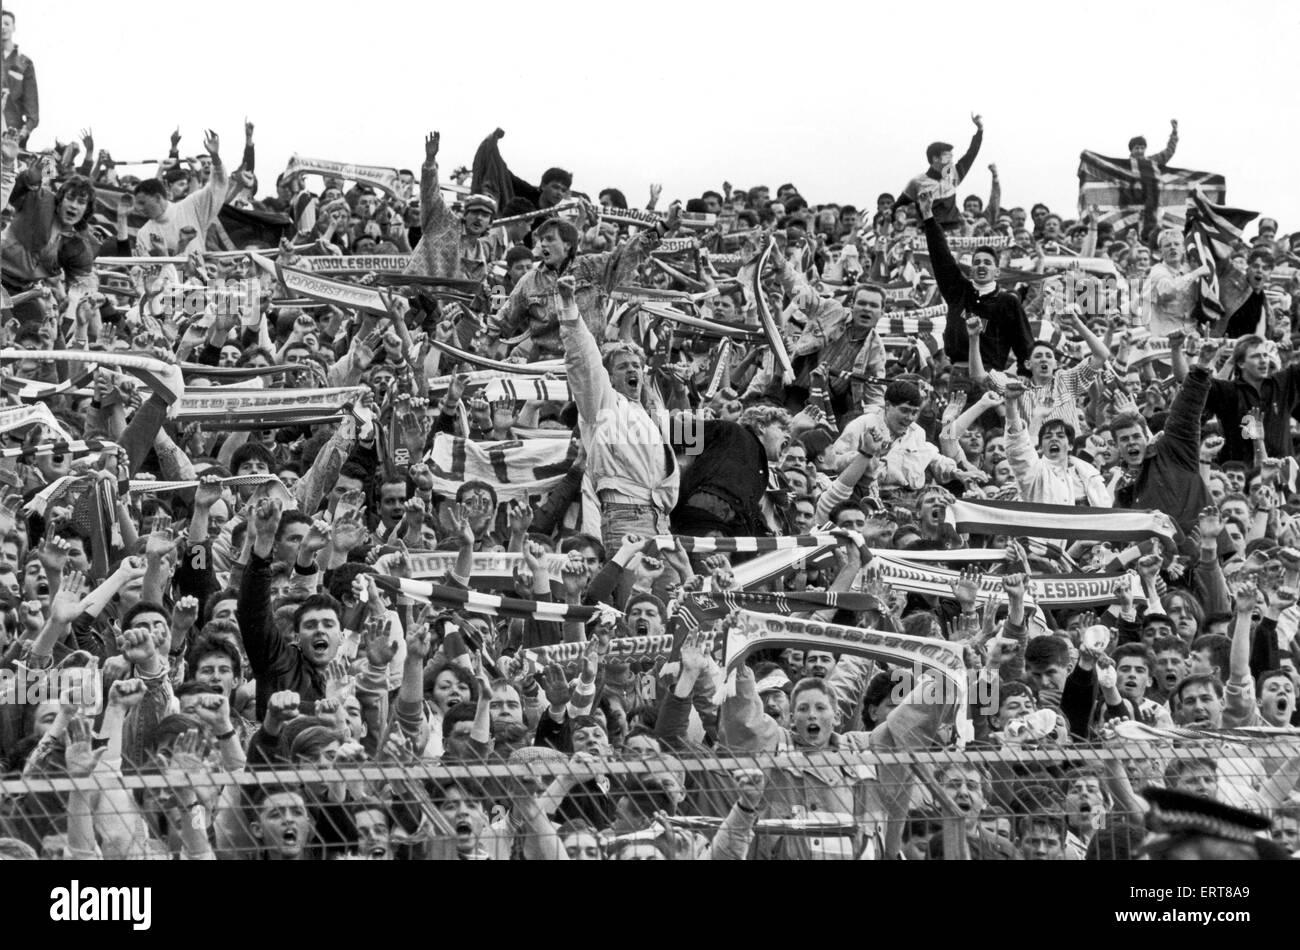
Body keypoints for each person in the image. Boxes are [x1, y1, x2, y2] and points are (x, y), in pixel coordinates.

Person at [919, 192, 1034, 388]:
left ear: (997, 271)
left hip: (992, 376)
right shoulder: (958, 291)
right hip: (958, 376)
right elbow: (941, 256)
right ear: (971, 268)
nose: (981, 266)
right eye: (977, 262)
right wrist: (929, 217)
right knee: (956, 420)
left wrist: (1025, 373)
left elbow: (1024, 341)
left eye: (987, 263)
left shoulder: (1008, 301)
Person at [404, 131, 504, 282]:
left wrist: (496, 283)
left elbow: (473, 294)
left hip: (443, 305)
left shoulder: (480, 256)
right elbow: (430, 192)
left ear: (490, 223)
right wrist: (430, 160)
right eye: (475, 212)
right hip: (411, 295)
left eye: (484, 215)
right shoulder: (443, 221)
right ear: (465, 214)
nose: (478, 217)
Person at [133, 128, 227, 256]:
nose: (138, 208)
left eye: (142, 203)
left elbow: (219, 185)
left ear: (157, 198)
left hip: (198, 275)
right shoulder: (143, 234)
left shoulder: (192, 206)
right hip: (169, 277)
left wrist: (215, 157)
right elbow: (149, 272)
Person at [894, 113, 984, 231]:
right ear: (935, 159)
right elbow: (899, 206)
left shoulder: (953, 175)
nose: (951, 160)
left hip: (953, 231)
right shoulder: (917, 182)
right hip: (927, 233)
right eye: (947, 157)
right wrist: (900, 216)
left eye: (952, 156)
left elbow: (971, 154)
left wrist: (980, 130)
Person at [1, 11, 37, 146]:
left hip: (12, 134)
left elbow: (32, 109)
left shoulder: (24, 63)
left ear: (13, 27)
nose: (2, 27)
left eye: (6, 23)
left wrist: (24, 132)